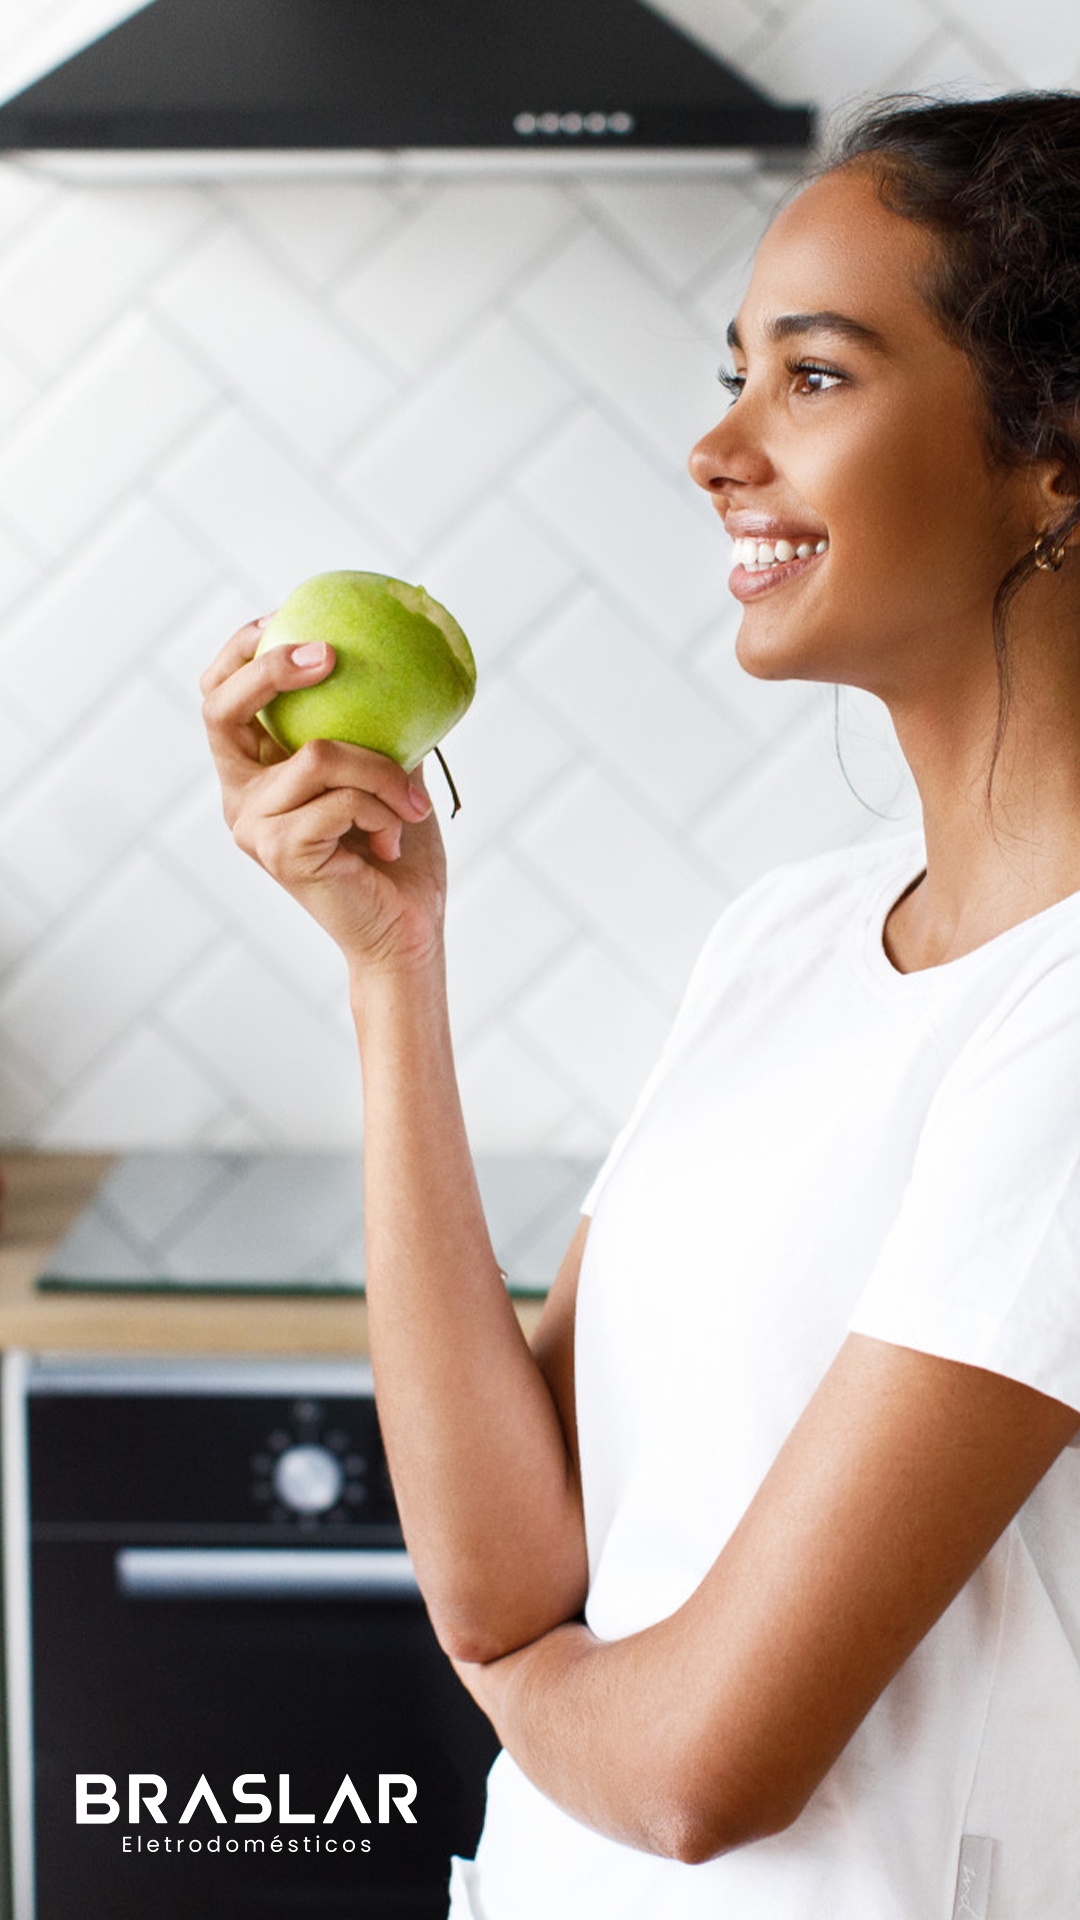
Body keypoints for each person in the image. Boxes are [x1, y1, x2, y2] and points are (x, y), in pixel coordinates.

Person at [202, 92, 1080, 1919]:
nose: (716, 448)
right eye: (736, 373)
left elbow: (695, 1773)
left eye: (812, 378)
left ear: (1057, 454)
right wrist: (391, 967)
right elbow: (518, 1556)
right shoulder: (786, 938)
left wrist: (520, 1678)